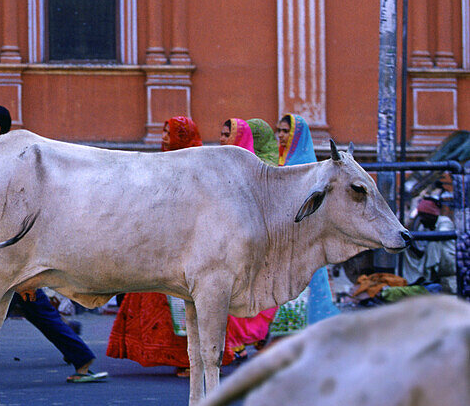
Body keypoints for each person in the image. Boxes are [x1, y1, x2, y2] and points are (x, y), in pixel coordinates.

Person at [0, 104, 107, 383]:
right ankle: (79, 354)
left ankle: (81, 357)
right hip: (6, 255)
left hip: (17, 256)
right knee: (28, 313)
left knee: (30, 311)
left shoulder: (7, 163)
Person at [107, 117, 236, 376]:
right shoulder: (163, 162)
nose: (164, 136)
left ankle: (193, 360)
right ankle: (180, 356)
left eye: (170, 132)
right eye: (164, 130)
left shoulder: (197, 165)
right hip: (160, 243)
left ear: (183, 135)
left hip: (189, 247)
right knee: (161, 305)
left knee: (187, 305)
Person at [220, 118, 278, 354]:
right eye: (222, 134)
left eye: (227, 135)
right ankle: (235, 343)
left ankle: (241, 341)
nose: (222, 139)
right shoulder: (221, 165)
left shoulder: (258, 170)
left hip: (249, 243)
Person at [277, 113, 339, 324]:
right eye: (279, 131)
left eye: (286, 131)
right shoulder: (280, 163)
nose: (281, 135)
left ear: (297, 135)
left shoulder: (305, 166)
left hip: (304, 238)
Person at [402, 194, 456, 294]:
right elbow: (421, 252)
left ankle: (430, 278)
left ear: (431, 215)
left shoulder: (444, 221)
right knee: (405, 250)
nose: (421, 219)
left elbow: (440, 235)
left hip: (448, 262)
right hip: (433, 260)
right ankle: (411, 279)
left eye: (424, 216)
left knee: (433, 244)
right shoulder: (424, 227)